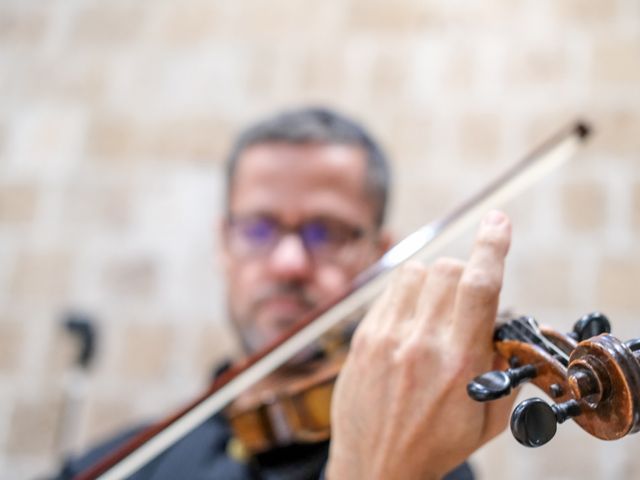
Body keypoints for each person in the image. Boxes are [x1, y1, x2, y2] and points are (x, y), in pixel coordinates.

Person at [53, 107, 514, 479]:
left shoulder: (423, 464)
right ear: (224, 245)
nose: (288, 262)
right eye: (258, 228)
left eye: (327, 232)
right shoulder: (116, 465)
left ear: (379, 255)